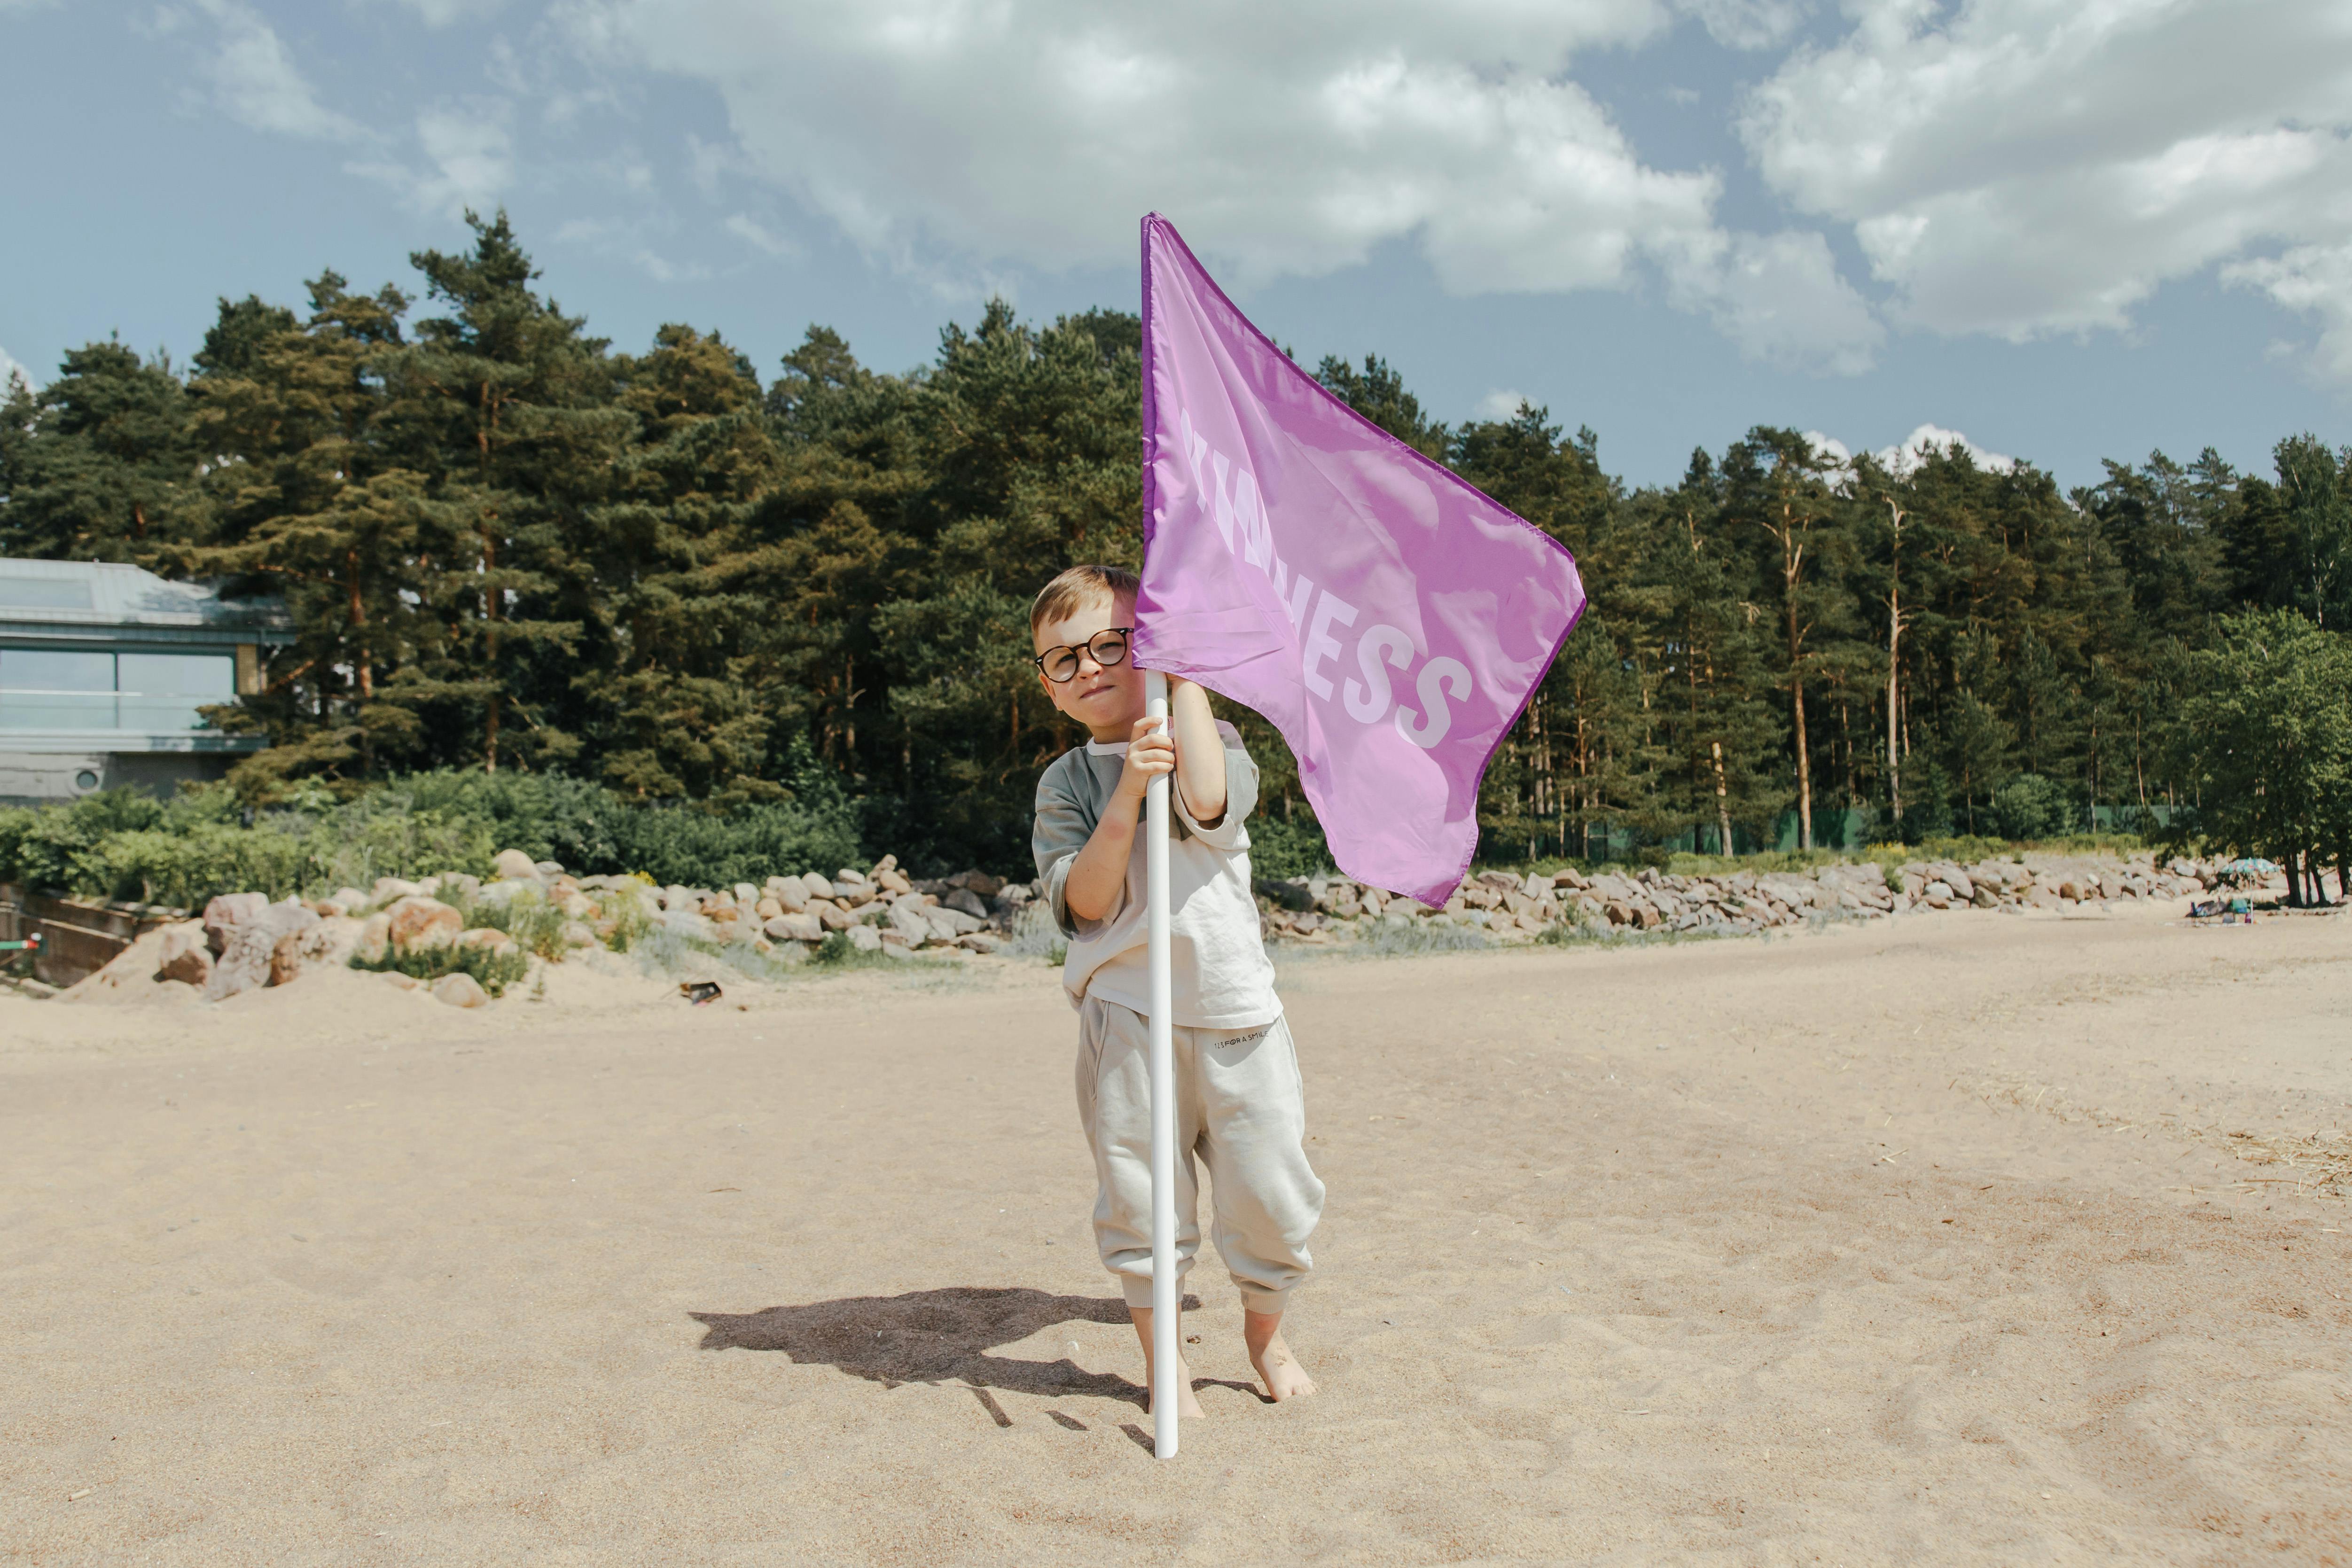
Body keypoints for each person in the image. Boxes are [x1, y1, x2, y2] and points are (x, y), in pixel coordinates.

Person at [1029, 563, 1324, 1415]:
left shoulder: (1212, 737)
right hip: (1129, 1015)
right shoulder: (1066, 784)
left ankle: (1265, 1337)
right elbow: (1084, 903)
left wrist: (1184, 674)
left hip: (1236, 1010)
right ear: (1045, 685)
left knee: (1271, 1198)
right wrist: (1125, 789)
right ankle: (1166, 1366)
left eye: (1112, 642)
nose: (1088, 667)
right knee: (1143, 1200)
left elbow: (1206, 798)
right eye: (1062, 659)